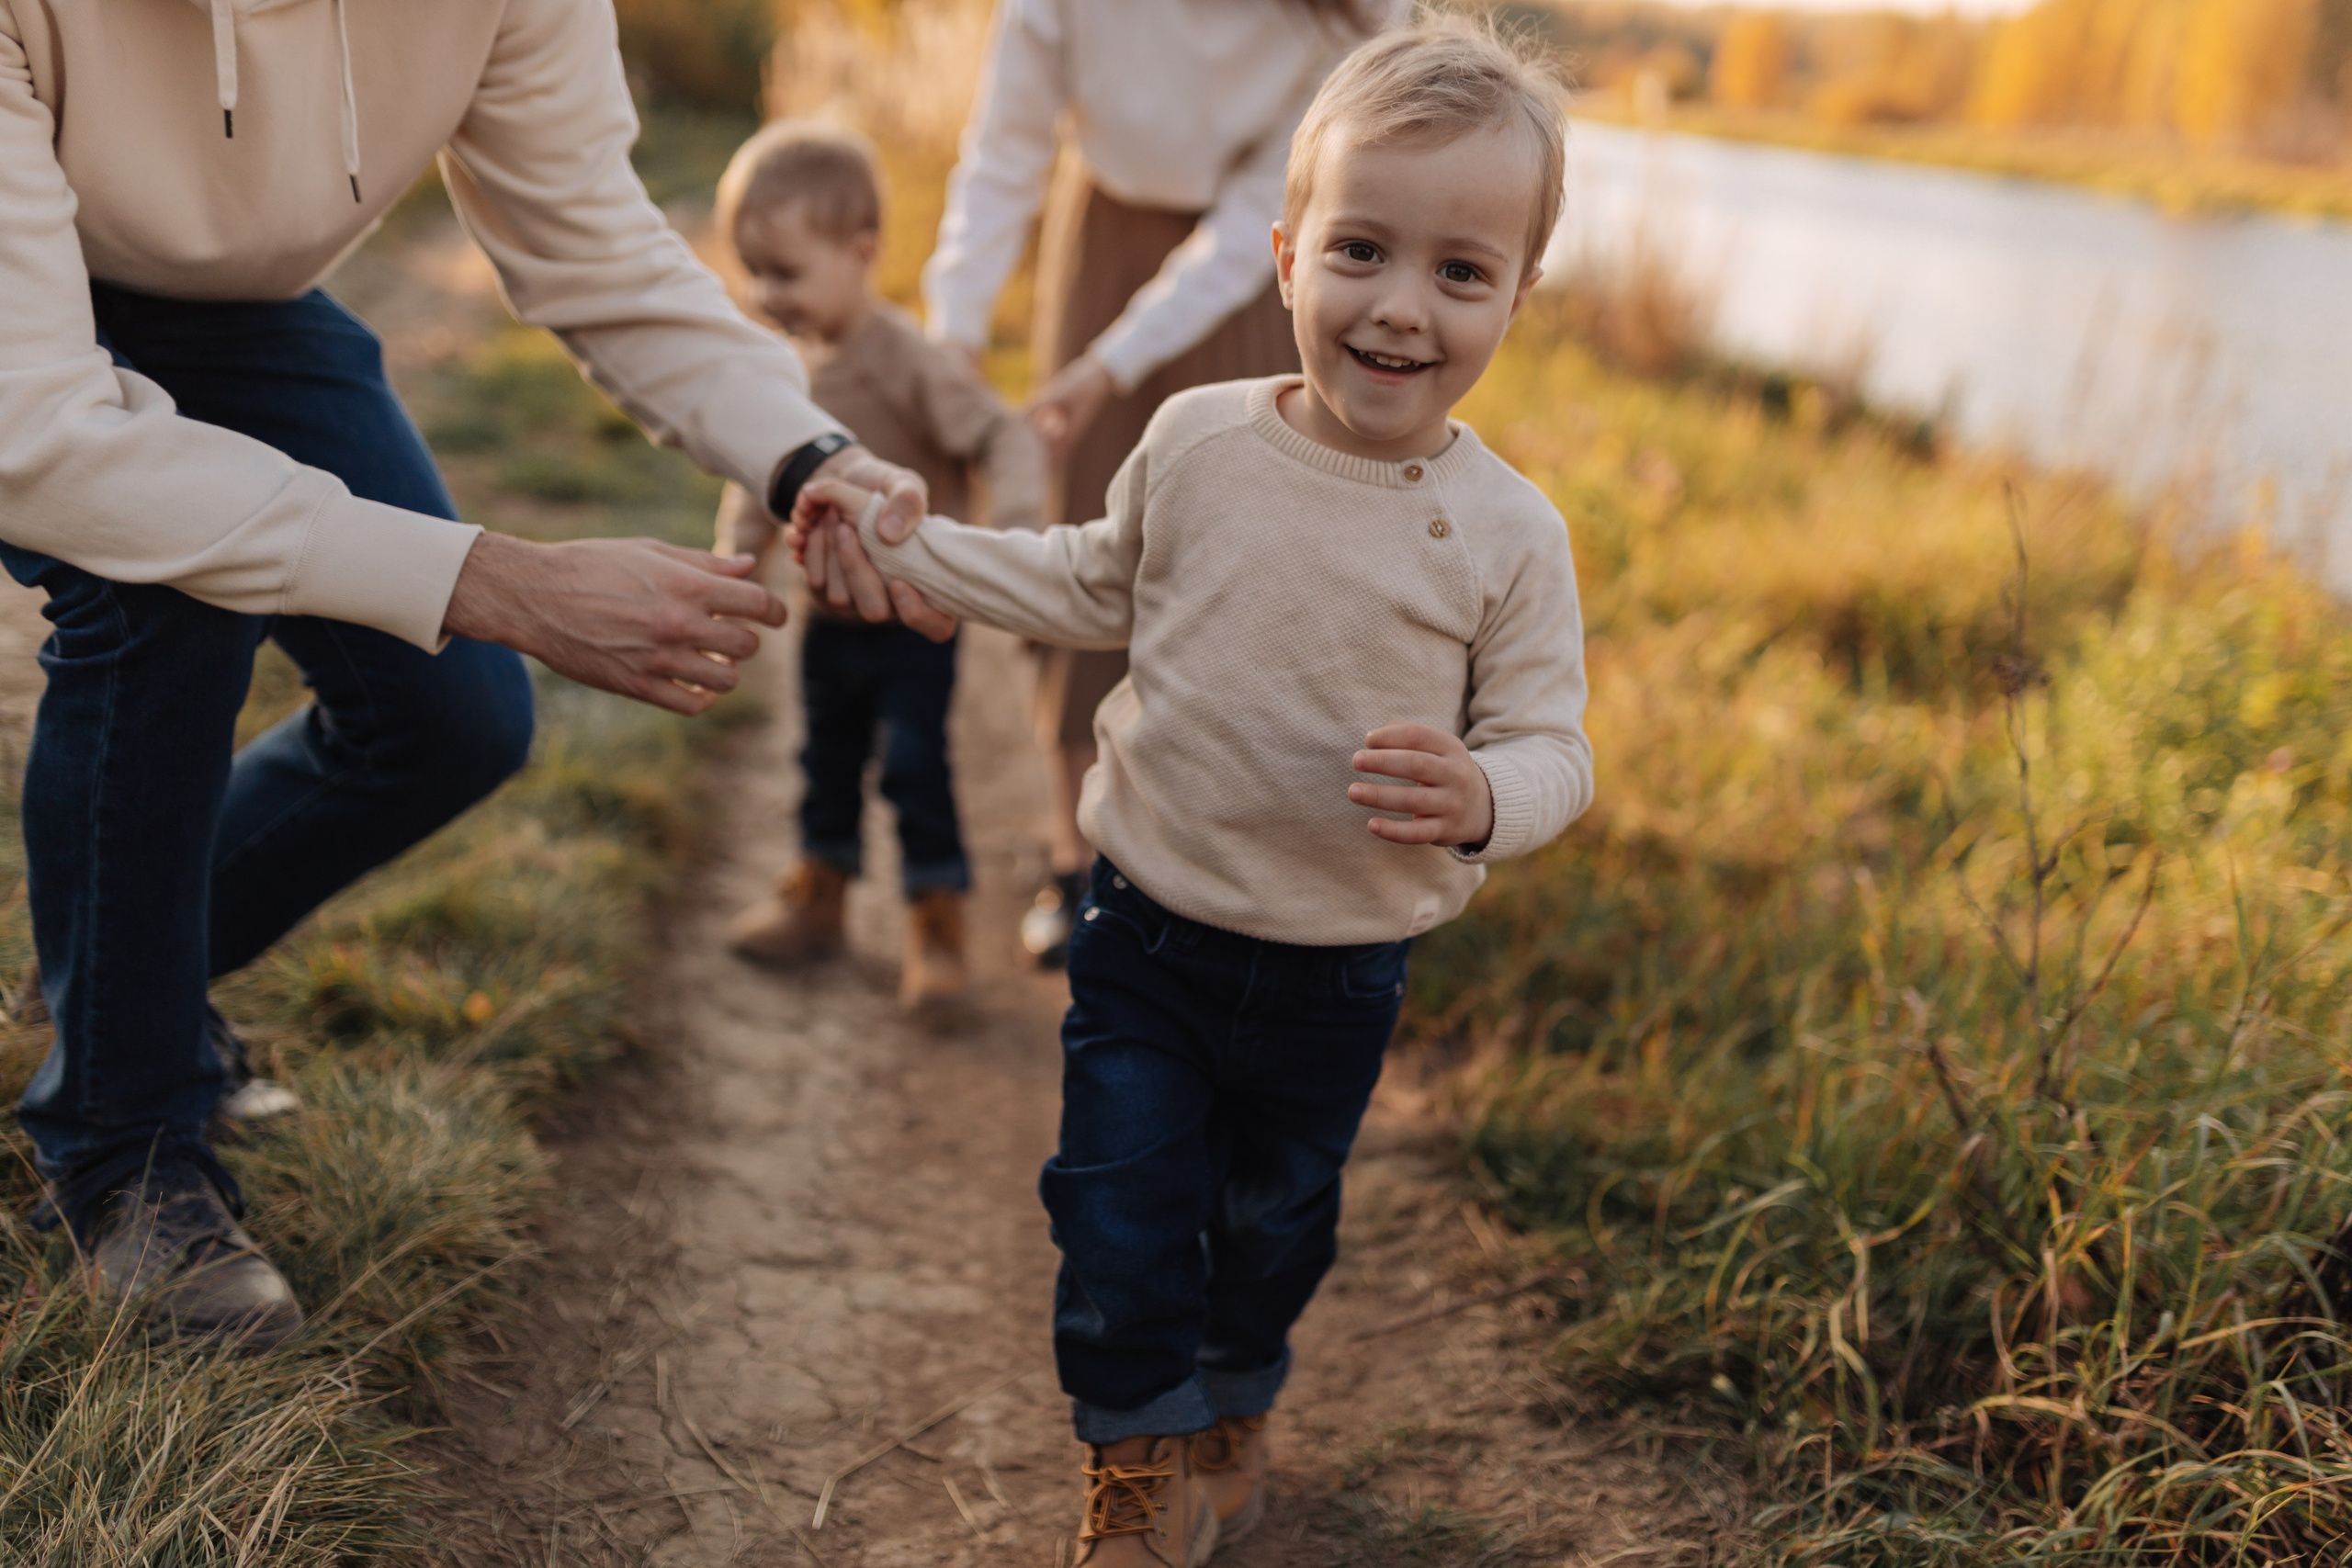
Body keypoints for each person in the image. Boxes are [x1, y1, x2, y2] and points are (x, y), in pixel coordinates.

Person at [0, 0, 946, 1349]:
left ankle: (111, 977)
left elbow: (596, 242)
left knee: (449, 721)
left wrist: (806, 457)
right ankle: (124, 1150)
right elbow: (40, 432)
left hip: (244, 317)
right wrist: (498, 579)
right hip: (21, 324)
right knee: (167, 598)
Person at [799, 22, 1590, 1562]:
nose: (1399, 307)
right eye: (1360, 249)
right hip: (1148, 929)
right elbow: (1087, 582)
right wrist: (911, 549)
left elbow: (1557, 745)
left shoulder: (1510, 534)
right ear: (1284, 256)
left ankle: (1236, 1391)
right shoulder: (1195, 442)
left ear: (1516, 295)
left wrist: (1488, 792)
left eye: (1459, 272)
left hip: (1338, 964)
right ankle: (1138, 1455)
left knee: (1273, 1221)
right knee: (1114, 1209)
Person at [922, 0, 1401, 965]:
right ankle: (1075, 862)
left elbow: (1253, 218)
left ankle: (1227, 878)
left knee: (1248, 562)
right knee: (1093, 541)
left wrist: (1114, 363)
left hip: (1265, 264)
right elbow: (1005, 154)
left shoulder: (1352, 16)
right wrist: (954, 340)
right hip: (1103, 230)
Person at [710, 123, 1047, 1009]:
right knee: (824, 754)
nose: (762, 293)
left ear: (861, 255)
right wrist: (735, 560)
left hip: (912, 618)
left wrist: (1013, 528)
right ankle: (820, 890)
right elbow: (762, 473)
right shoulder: (781, 366)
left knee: (912, 762)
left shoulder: (907, 358)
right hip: (828, 618)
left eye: (783, 271)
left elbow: (1003, 433)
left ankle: (936, 919)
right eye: (752, 270)